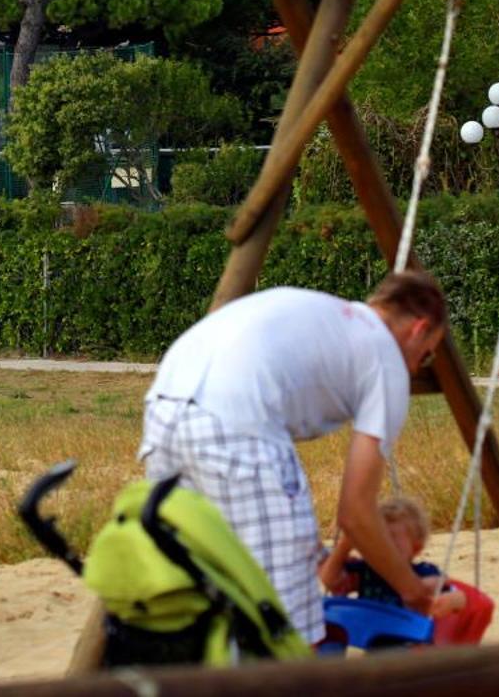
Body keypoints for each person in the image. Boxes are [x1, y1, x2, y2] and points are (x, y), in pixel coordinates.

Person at [139, 272, 452, 646]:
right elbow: (355, 511)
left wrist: (316, 556)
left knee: (195, 597)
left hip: (163, 407)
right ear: (419, 330)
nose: (418, 368)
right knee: (289, 628)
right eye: (427, 354)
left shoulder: (327, 314)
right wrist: (413, 590)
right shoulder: (386, 360)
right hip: (241, 425)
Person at [319, 496, 495, 646]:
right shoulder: (367, 570)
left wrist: (448, 598)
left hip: (406, 646)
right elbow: (329, 580)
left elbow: (457, 593)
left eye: (392, 539)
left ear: (416, 548)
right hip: (366, 644)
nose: (383, 546)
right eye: (377, 539)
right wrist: (345, 545)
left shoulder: (423, 573)